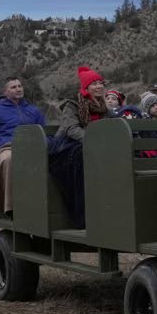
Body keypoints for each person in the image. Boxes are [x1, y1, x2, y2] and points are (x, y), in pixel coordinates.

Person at [48, 66, 109, 228]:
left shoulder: (103, 106)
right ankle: (80, 216)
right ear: (86, 87)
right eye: (94, 84)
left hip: (91, 146)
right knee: (80, 158)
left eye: (100, 83)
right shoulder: (73, 105)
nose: (99, 86)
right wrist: (93, 141)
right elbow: (71, 129)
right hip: (65, 148)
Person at [0, 76, 47, 213]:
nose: (18, 89)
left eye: (20, 86)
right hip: (6, 148)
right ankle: (10, 207)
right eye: (13, 87)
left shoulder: (33, 111)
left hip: (32, 147)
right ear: (5, 92)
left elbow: (45, 132)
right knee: (10, 159)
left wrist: (44, 143)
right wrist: (7, 142)